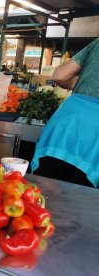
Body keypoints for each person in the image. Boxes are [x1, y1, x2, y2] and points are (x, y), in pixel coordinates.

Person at [31, 38, 99, 188]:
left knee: (43, 189)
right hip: (95, 133)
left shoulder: (97, 43)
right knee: (80, 198)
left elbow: (59, 76)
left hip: (67, 118)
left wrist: (84, 84)